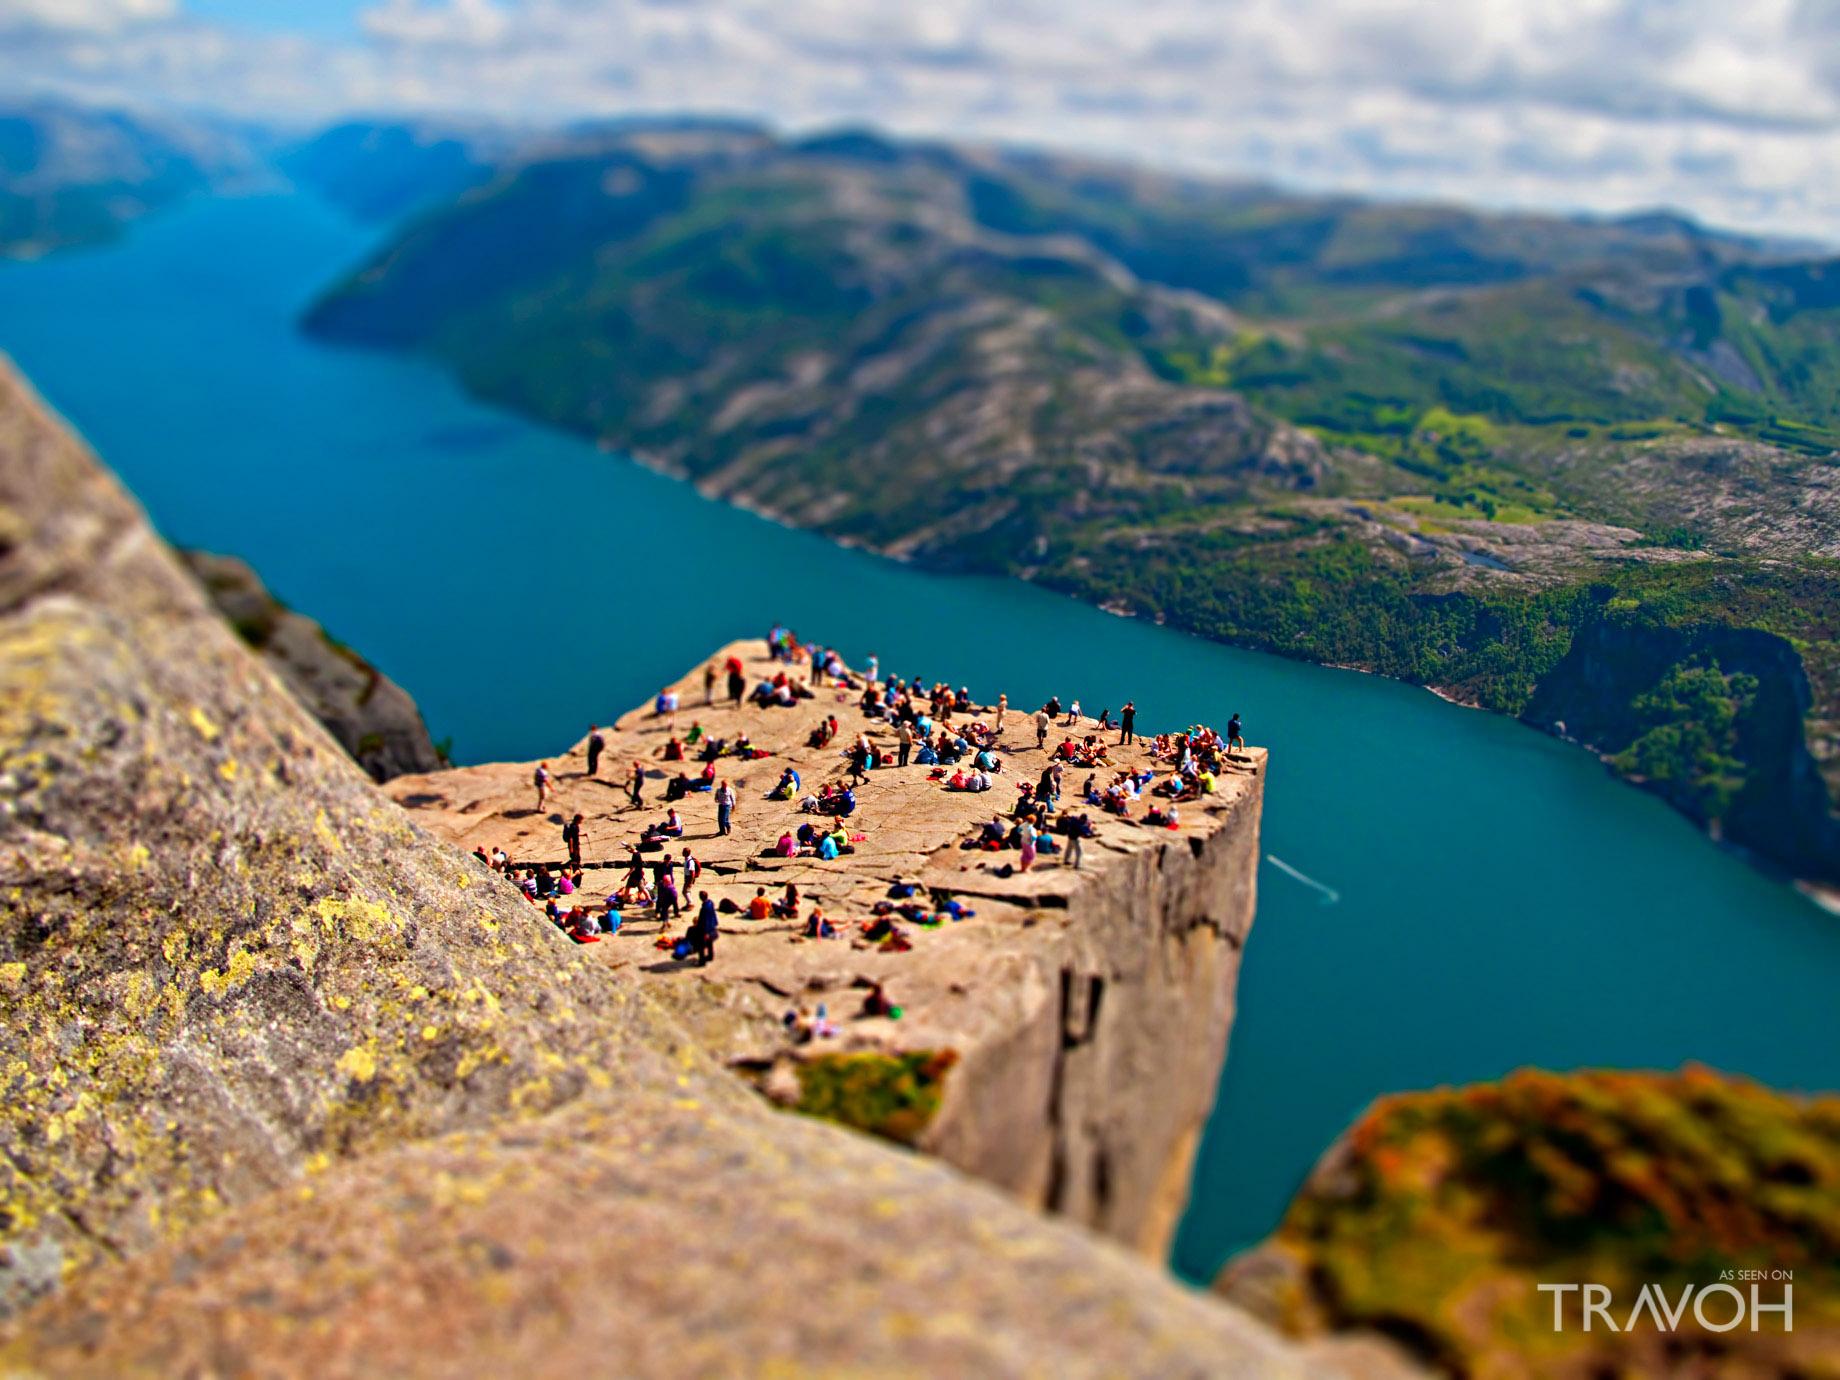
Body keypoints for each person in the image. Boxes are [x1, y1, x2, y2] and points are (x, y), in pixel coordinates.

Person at [693, 891, 718, 965]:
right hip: (712, 926)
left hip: (704, 928)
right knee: (710, 943)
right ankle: (710, 956)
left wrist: (706, 933)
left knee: (701, 945)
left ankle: (702, 961)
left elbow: (706, 920)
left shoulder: (704, 908)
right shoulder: (710, 902)